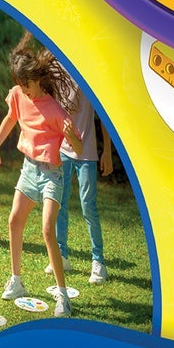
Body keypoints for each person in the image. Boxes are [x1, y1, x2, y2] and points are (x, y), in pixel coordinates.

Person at [0, 35, 81, 317]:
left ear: (37, 79)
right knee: (14, 220)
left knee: (47, 230)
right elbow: (11, 118)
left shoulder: (54, 110)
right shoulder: (19, 94)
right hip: (29, 168)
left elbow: (78, 148)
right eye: (20, 85)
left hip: (52, 174)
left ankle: (63, 296)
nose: (24, 90)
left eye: (26, 84)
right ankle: (16, 281)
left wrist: (70, 136)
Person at [53, 72, 114, 285]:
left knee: (88, 205)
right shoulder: (55, 71)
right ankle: (61, 256)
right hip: (62, 149)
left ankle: (98, 262)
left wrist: (107, 151)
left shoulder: (88, 73)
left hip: (86, 152)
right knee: (59, 202)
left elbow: (104, 115)